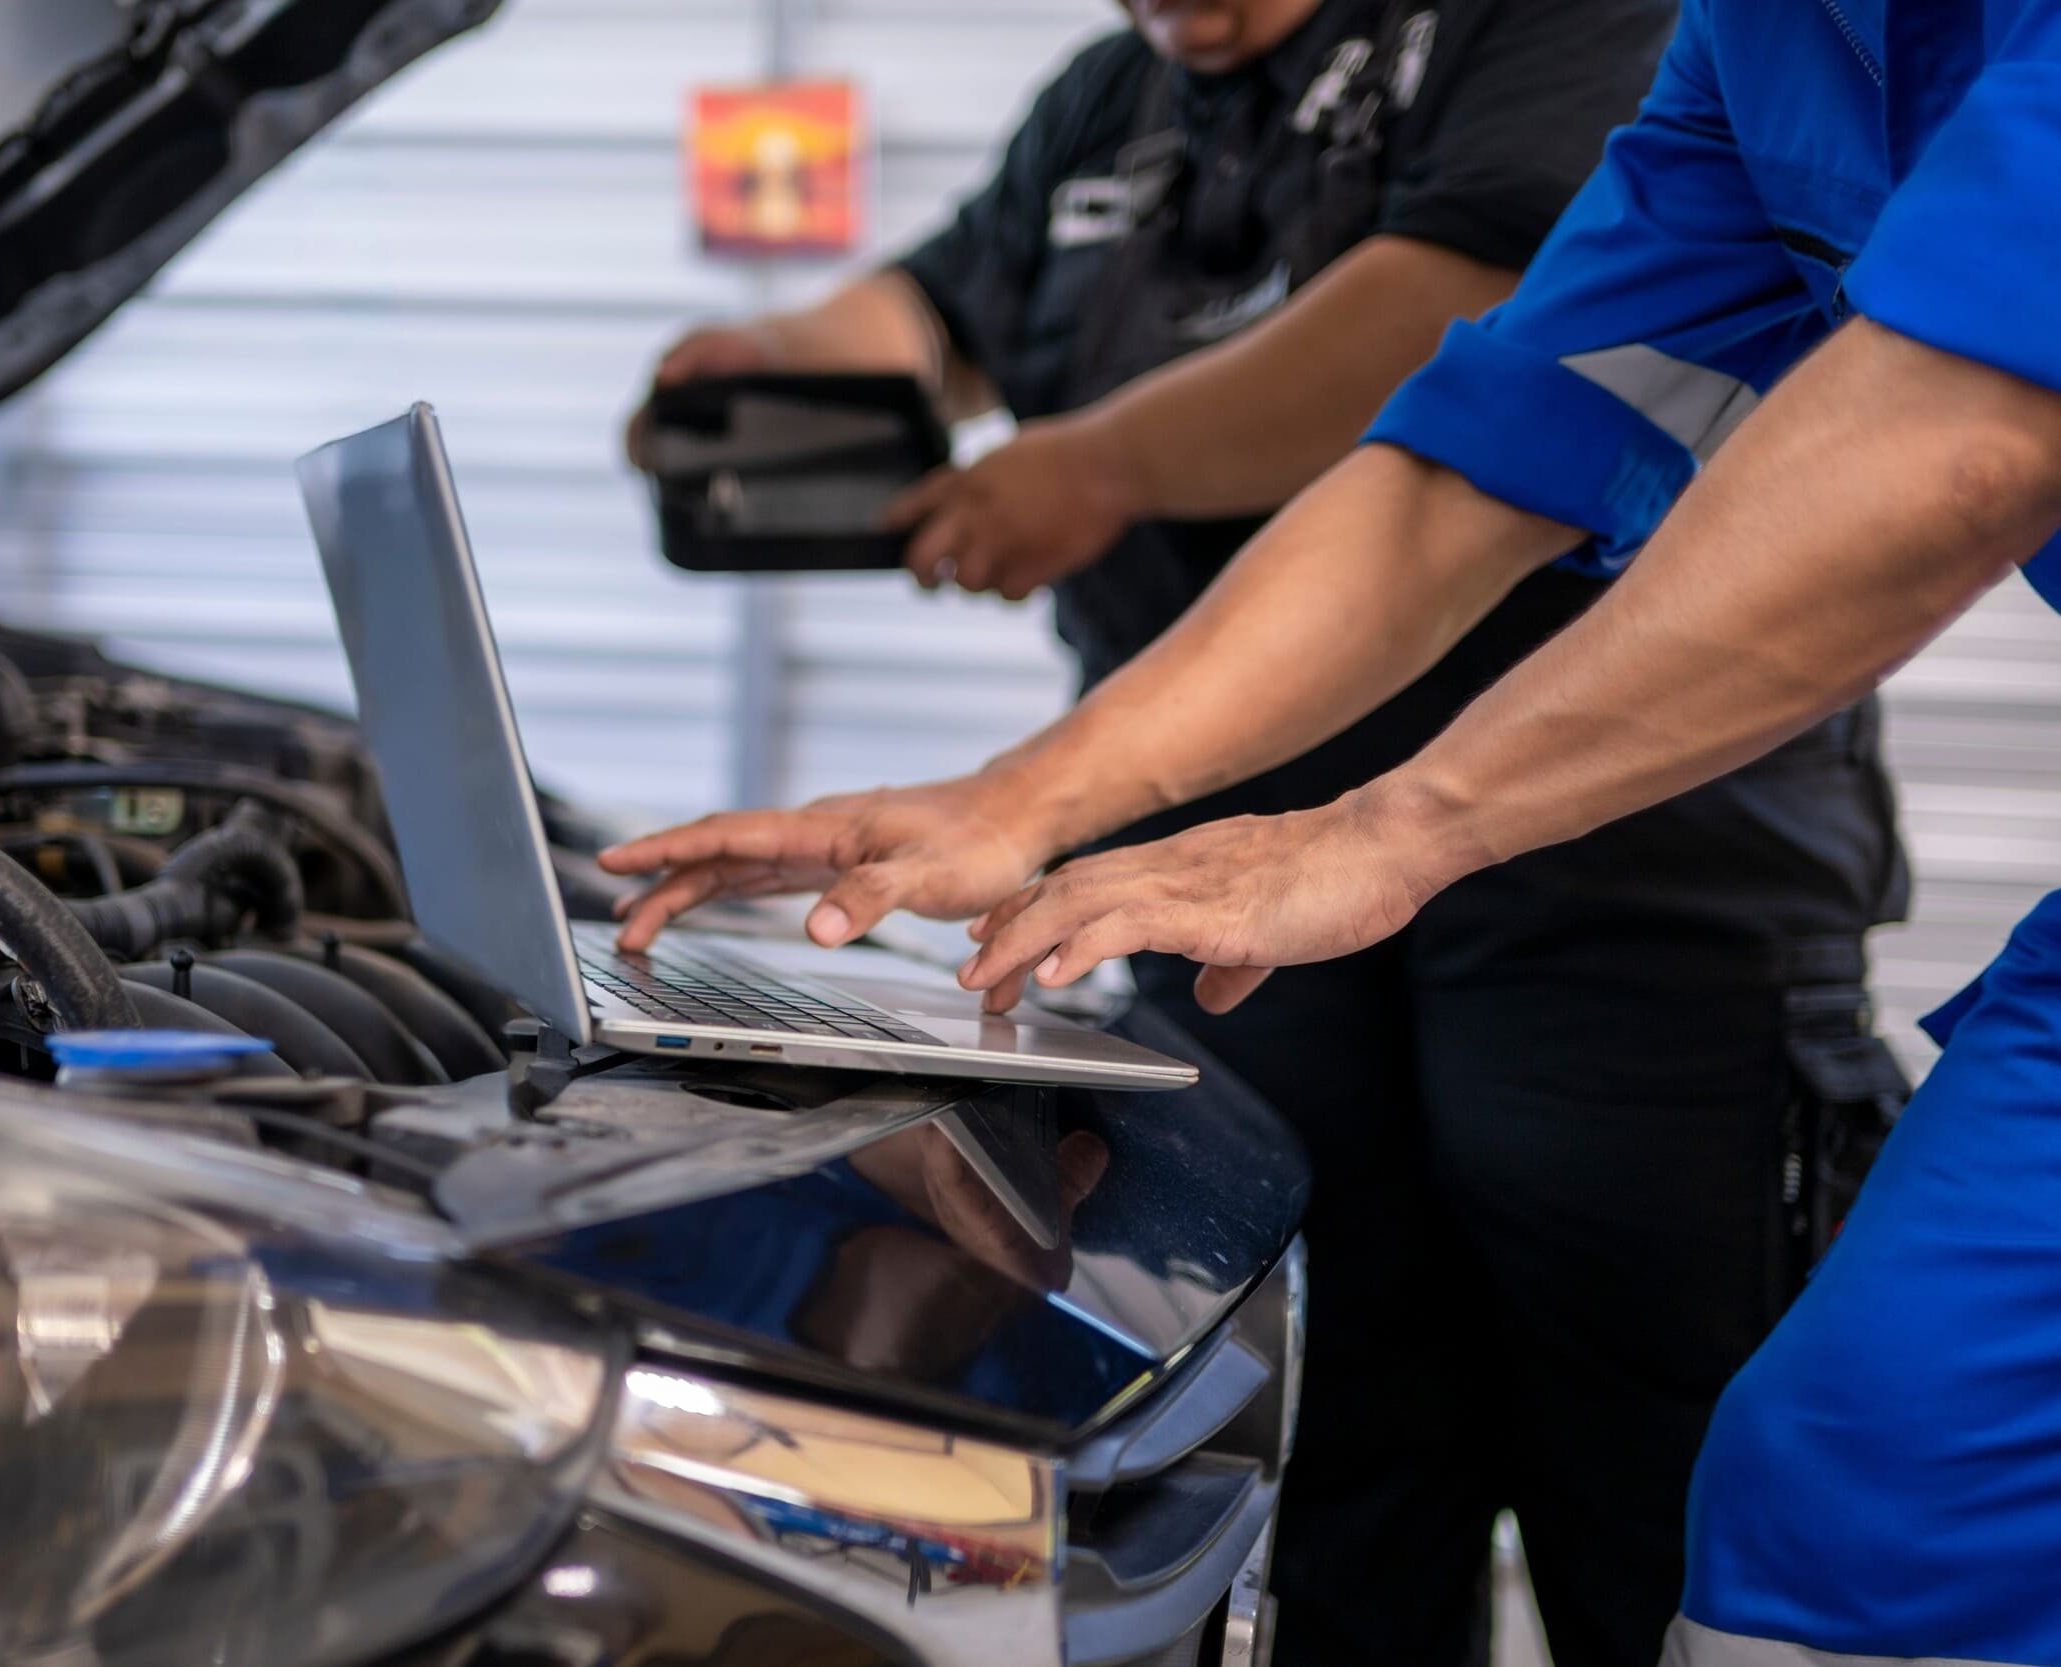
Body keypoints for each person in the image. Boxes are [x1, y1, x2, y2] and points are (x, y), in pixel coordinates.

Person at [608, 1, 2061, 1662]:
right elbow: (1484, 456)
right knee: (1837, 1508)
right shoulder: (1756, 46)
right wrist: (1017, 801)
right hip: (1333, 892)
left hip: (1611, 894)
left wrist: (1398, 822)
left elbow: (1965, 439)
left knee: (1685, 1449)